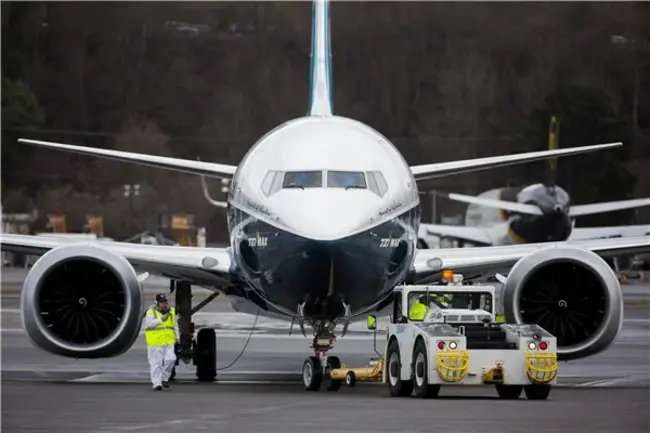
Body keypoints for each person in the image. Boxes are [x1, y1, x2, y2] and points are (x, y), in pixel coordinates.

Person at [144, 293, 179, 390]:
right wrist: (160, 320)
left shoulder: (171, 311)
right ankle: (157, 384)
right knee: (156, 363)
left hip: (168, 341)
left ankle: (164, 378)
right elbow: (149, 324)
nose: (164, 304)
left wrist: (177, 337)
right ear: (157, 303)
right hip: (155, 342)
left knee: (171, 359)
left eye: (165, 301)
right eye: (161, 302)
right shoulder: (151, 312)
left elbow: (174, 325)